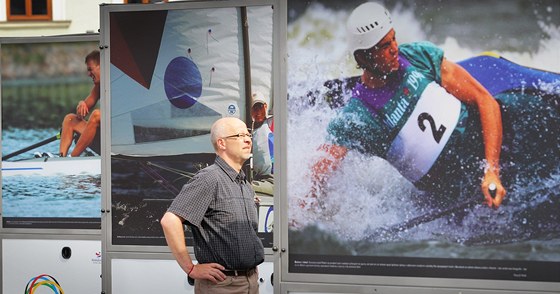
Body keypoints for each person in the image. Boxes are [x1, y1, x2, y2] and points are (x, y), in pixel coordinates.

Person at [307, 1, 508, 209]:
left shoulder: (417, 56)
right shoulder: (359, 115)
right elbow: (316, 178)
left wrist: (492, 170)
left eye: (394, 39)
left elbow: (485, 101)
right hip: (455, 192)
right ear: (363, 57)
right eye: (385, 46)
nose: (395, 49)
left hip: (491, 154)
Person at [161, 117, 264, 294]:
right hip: (222, 286)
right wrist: (191, 269)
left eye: (248, 135)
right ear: (221, 143)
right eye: (240, 135)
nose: (248, 139)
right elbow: (170, 220)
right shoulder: (209, 179)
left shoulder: (244, 185)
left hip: (250, 281)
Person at [59, 50, 101, 157]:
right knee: (70, 119)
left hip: (118, 140)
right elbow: (81, 113)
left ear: (102, 66)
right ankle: (61, 158)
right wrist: (82, 103)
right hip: (103, 138)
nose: (88, 74)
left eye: (90, 69)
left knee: (96, 115)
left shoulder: (117, 84)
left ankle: (73, 158)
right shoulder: (98, 87)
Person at [250, 91, 274, 195]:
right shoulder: (247, 130)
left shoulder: (271, 123)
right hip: (258, 177)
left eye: (260, 107)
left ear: (265, 106)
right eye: (254, 108)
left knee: (246, 188)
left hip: (273, 179)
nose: (258, 111)